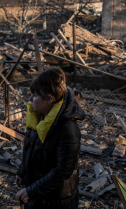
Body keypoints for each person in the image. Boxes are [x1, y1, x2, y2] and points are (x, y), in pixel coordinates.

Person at [15, 67, 85, 209]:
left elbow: (62, 170)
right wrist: (22, 171)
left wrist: (31, 191)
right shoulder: (40, 116)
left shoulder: (68, 128)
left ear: (49, 99)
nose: (30, 99)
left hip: (56, 201)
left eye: (34, 95)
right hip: (39, 194)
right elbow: (30, 147)